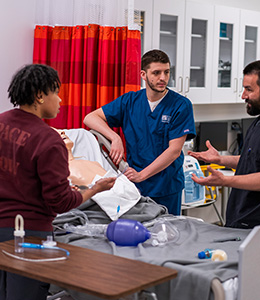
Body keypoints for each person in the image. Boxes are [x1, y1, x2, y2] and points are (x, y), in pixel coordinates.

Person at [0, 64, 116, 300]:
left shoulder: (1, 122)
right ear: (40, 96)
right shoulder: (48, 140)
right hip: (28, 235)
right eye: (56, 92)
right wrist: (95, 189)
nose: (61, 100)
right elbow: (60, 202)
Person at [188, 60, 260, 229]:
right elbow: (254, 161)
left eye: (249, 89)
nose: (243, 95)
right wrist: (220, 160)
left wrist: (225, 180)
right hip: (242, 221)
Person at [84, 49, 196, 215]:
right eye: (156, 73)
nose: (163, 78)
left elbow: (174, 151)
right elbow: (90, 118)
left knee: (169, 236)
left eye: (166, 72)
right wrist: (115, 137)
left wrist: (142, 175)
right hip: (135, 185)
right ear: (143, 75)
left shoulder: (181, 105)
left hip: (166, 186)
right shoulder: (130, 101)